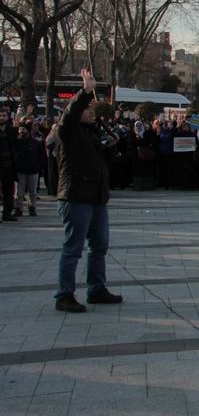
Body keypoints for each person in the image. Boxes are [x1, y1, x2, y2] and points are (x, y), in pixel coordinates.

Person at [54, 69, 123, 313]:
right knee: (73, 248)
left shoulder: (91, 133)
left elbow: (101, 166)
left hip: (96, 198)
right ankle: (64, 295)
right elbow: (70, 115)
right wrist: (83, 92)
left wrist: (111, 148)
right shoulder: (68, 132)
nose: (92, 111)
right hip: (76, 197)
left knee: (100, 246)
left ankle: (96, 289)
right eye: (88, 109)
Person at [14, 122, 43, 216]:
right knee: (19, 193)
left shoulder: (35, 143)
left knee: (33, 192)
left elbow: (40, 156)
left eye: (23, 129)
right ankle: (19, 209)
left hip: (33, 171)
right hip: (20, 171)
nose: (21, 131)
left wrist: (38, 167)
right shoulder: (16, 142)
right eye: (20, 129)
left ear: (28, 131)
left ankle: (32, 208)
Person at [0, 106, 17, 222]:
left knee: (8, 191)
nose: (1, 118)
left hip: (9, 165)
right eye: (0, 116)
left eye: (4, 116)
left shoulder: (11, 130)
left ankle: (7, 213)